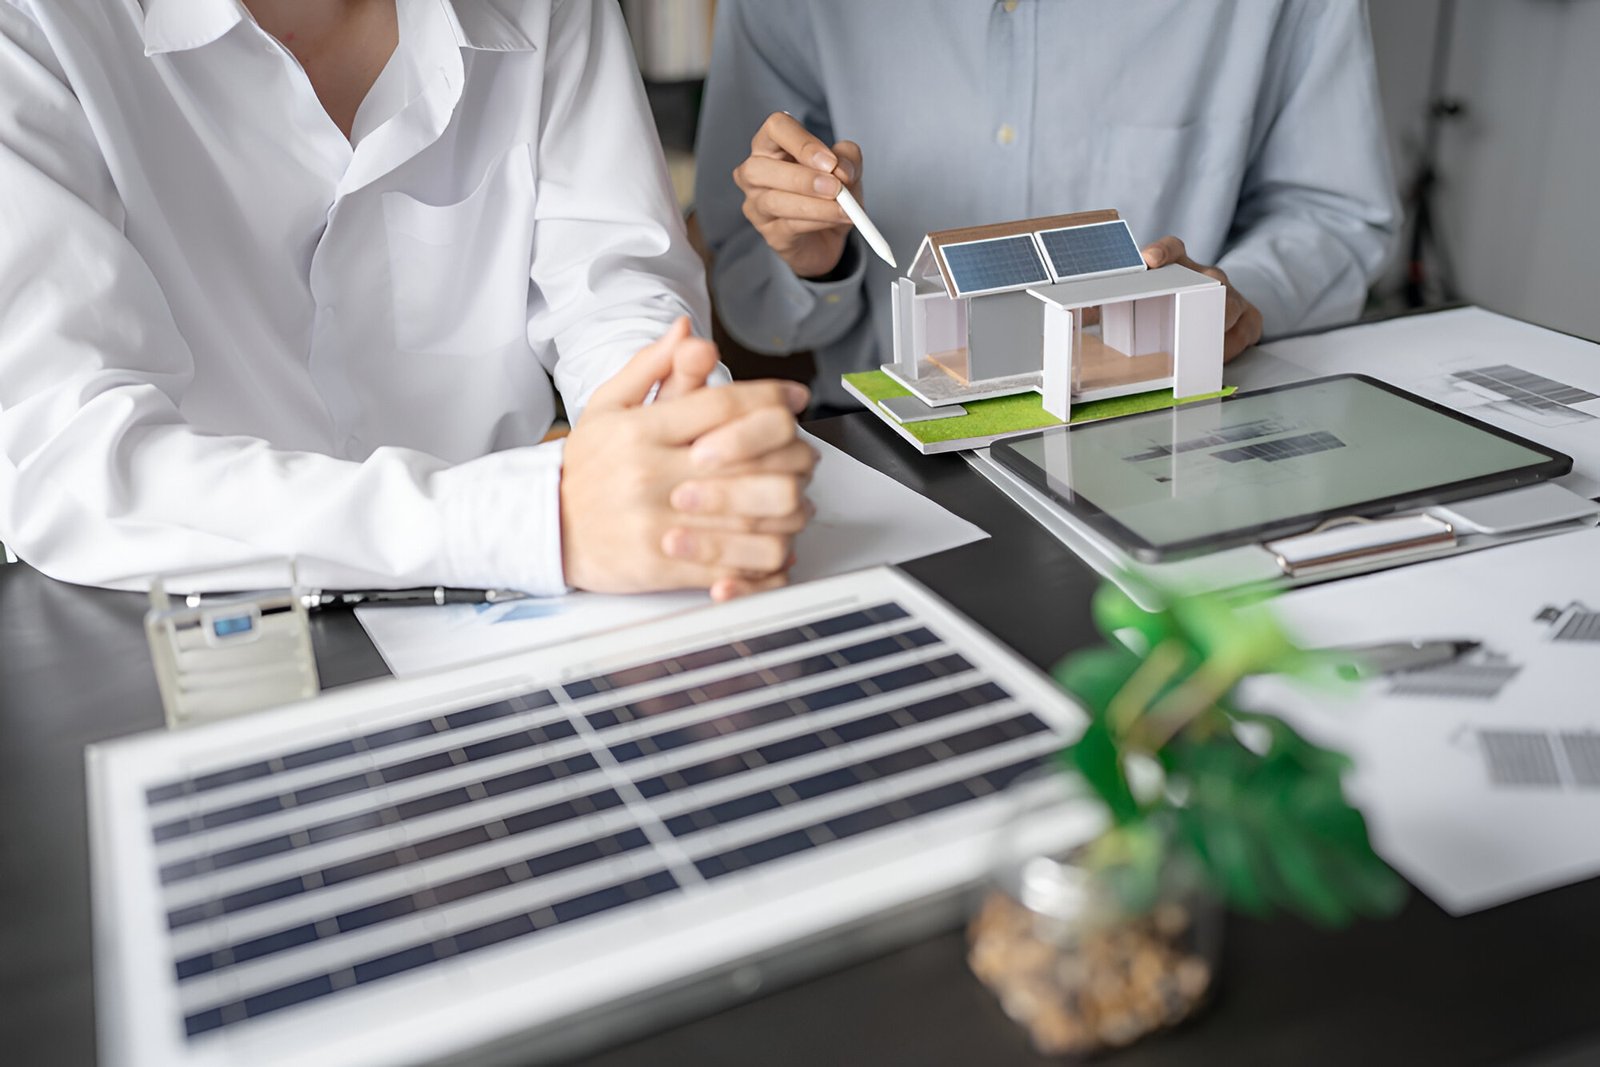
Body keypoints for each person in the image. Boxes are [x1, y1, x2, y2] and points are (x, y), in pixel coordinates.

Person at [0, 0, 816, 601]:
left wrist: (687, 462)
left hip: (513, 608)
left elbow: (616, 284)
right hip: (192, 627)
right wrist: (538, 520)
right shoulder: (33, 26)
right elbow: (72, 464)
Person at [695, 0, 1400, 409]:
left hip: (1171, 433)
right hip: (888, 445)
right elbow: (748, 291)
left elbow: (1334, 213)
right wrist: (817, 265)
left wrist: (1241, 299)